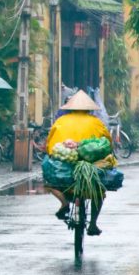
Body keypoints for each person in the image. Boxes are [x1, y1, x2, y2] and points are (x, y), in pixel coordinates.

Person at [45, 90, 113, 236]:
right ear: (89, 108)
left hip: (65, 165)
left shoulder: (60, 122)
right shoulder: (97, 122)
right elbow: (107, 142)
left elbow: (49, 143)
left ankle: (64, 202)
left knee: (49, 182)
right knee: (99, 192)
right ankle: (93, 224)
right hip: (91, 164)